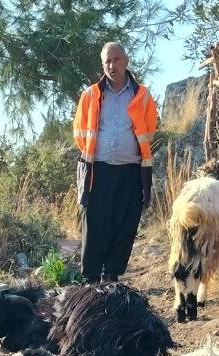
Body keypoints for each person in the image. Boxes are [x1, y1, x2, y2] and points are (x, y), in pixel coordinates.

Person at [72, 41, 159, 284]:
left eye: (116, 59)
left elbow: (150, 128)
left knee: (125, 223)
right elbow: (80, 133)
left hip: (131, 170)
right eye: (107, 61)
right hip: (98, 170)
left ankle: (111, 276)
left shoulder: (142, 94)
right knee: (96, 223)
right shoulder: (90, 95)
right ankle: (90, 279)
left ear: (126, 61)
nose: (112, 65)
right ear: (103, 65)